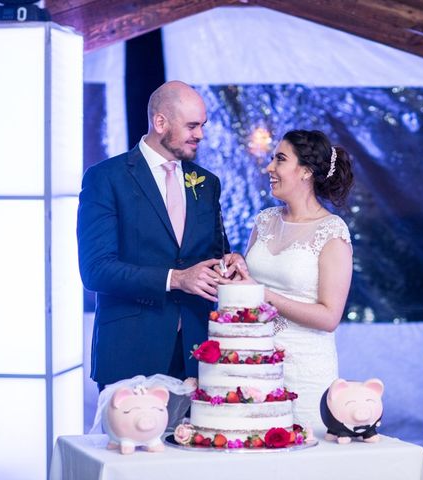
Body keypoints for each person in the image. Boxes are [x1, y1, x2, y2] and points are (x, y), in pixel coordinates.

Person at [77, 81, 243, 390]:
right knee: (132, 440)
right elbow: (95, 271)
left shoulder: (206, 183)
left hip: (199, 354)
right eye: (192, 125)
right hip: (131, 353)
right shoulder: (106, 178)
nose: (201, 135)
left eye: (203, 125)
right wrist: (175, 279)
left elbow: (214, 254)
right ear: (160, 122)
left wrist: (230, 264)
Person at [238, 129, 354, 431]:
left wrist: (265, 295)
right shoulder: (265, 220)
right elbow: (247, 288)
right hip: (254, 364)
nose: (269, 168)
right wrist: (237, 269)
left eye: (279, 159)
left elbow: (330, 317)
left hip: (305, 371)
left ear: (305, 171)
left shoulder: (332, 231)